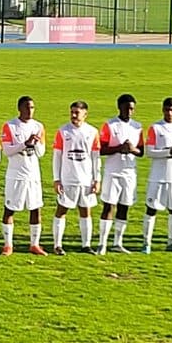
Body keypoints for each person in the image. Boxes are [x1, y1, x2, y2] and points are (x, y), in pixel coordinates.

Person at [140, 96, 172, 253]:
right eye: (167, 110)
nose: (170, 113)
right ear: (163, 110)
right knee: (151, 208)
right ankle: (146, 243)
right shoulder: (156, 128)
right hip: (158, 175)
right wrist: (169, 151)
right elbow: (149, 152)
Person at [0, 95, 47, 257]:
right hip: (16, 175)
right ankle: (8, 245)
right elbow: (7, 151)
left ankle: (34, 244)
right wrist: (24, 144)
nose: (30, 110)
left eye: (32, 107)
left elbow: (41, 153)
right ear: (19, 108)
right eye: (26, 107)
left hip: (33, 175)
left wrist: (36, 143)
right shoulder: (10, 126)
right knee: (10, 209)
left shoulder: (39, 126)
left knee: (35, 208)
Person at [51, 100, 100, 254]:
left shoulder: (92, 132)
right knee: (61, 210)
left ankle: (86, 245)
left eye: (77, 113)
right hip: (67, 179)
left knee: (85, 211)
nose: (73, 115)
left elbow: (95, 157)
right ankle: (57, 245)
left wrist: (97, 179)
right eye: (71, 112)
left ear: (85, 114)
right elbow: (57, 156)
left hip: (85, 180)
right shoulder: (63, 131)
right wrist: (56, 179)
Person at [95, 94, 141, 256]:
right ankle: (102, 243)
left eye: (132, 108)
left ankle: (118, 242)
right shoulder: (110, 125)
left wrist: (133, 149)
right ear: (119, 107)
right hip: (113, 172)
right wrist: (119, 148)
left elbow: (141, 151)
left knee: (124, 206)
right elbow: (102, 149)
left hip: (129, 172)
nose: (129, 111)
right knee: (109, 206)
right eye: (127, 108)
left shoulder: (137, 127)